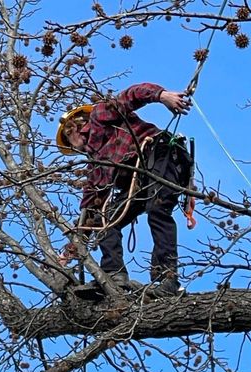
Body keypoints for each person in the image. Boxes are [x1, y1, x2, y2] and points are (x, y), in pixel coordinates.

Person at [56, 83, 193, 298]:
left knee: (157, 210)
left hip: (159, 154)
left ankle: (168, 281)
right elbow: (90, 212)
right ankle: (114, 277)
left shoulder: (99, 116)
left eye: (69, 142)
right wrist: (70, 251)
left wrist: (162, 96)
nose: (73, 149)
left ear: (72, 129)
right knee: (105, 221)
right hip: (137, 181)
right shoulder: (96, 166)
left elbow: (131, 95)